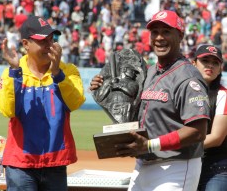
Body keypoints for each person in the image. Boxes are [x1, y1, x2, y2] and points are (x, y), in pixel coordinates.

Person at [90, 10, 210, 191]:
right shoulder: (150, 71)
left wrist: (149, 145)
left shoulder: (188, 77)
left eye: (166, 31)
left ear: (180, 35)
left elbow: (198, 131)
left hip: (176, 167)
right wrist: (103, 88)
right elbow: (130, 109)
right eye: (155, 32)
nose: (159, 37)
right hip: (143, 163)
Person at [0, 15, 86, 191]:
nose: (49, 45)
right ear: (25, 44)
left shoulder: (67, 71)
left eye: (51, 40)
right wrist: (15, 73)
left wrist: (57, 73)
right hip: (21, 165)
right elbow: (8, 110)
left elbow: (75, 103)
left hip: (56, 163)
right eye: (42, 41)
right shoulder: (12, 73)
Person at [193, 45, 227, 191]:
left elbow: (216, 138)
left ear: (220, 68)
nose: (210, 65)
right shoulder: (180, 92)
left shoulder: (223, 95)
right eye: (205, 60)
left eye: (215, 63)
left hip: (216, 168)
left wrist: (178, 146)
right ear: (194, 64)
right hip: (187, 163)